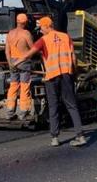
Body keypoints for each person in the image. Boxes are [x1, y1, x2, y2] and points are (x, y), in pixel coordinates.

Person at [16, 16, 87, 147]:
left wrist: (16, 63)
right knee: (71, 105)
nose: (40, 31)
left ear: (46, 26)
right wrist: (74, 73)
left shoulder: (43, 40)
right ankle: (80, 136)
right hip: (66, 75)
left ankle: (55, 138)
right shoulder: (66, 37)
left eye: (41, 28)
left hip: (52, 77)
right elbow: (73, 58)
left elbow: (29, 54)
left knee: (53, 106)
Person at [4, 13, 33, 120]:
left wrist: (10, 63)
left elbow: (7, 51)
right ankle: (23, 112)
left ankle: (9, 112)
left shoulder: (10, 33)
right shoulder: (26, 34)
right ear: (25, 23)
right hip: (24, 63)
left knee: (13, 86)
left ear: (16, 21)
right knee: (24, 86)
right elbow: (32, 49)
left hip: (12, 62)